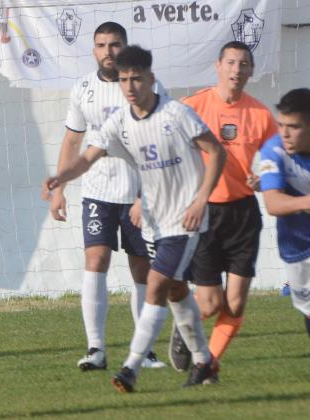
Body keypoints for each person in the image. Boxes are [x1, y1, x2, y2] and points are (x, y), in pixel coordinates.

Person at [42, 45, 227, 392]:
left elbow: (216, 152)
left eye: (137, 79)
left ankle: (130, 367)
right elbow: (88, 157)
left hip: (186, 219)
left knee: (155, 285)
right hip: (156, 220)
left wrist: (201, 199)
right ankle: (204, 361)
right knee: (174, 290)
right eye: (125, 80)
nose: (130, 86)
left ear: (151, 80)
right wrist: (61, 178)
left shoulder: (176, 114)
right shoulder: (120, 121)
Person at [48, 22, 166, 371]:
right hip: (98, 191)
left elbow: (162, 139)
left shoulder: (147, 86)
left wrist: (150, 193)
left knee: (142, 269)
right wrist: (60, 190)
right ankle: (95, 348)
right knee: (95, 260)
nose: (108, 51)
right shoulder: (83, 88)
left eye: (114, 44)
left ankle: (144, 349)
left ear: (126, 47)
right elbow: (72, 141)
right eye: (101, 45)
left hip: (141, 194)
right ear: (94, 50)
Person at [168, 41, 278, 375]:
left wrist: (265, 179)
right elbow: (168, 148)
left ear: (251, 71)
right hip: (204, 214)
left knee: (236, 303)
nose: (237, 70)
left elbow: (277, 159)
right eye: (231, 62)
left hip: (243, 214)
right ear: (218, 66)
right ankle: (184, 326)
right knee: (211, 303)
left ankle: (207, 367)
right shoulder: (193, 106)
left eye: (244, 64)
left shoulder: (260, 114)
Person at [259, 88, 310, 338]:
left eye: (294, 126)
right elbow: (273, 204)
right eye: (281, 125)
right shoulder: (273, 150)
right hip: (296, 244)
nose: (285, 134)